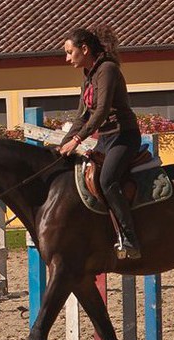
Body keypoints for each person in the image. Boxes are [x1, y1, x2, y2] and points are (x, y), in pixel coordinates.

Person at [59, 26, 142, 259]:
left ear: (84, 49)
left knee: (107, 180)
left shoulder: (107, 69)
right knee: (88, 178)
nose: (67, 58)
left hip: (124, 136)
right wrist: (62, 146)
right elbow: (82, 117)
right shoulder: (87, 77)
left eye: (69, 52)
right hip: (106, 139)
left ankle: (130, 238)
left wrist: (76, 140)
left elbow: (102, 110)